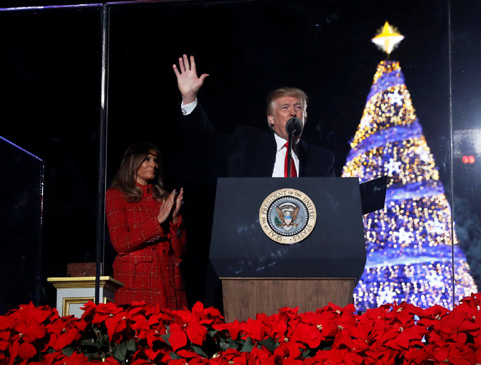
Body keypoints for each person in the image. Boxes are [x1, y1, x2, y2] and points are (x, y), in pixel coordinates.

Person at [172, 54, 336, 177]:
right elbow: (205, 141)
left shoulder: (322, 159)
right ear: (271, 118)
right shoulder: (246, 142)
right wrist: (189, 97)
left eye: (298, 107)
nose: (293, 112)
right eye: (285, 107)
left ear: (305, 116)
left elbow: (333, 203)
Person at [106, 142, 188, 310]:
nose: (154, 165)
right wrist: (157, 222)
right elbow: (120, 243)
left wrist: (173, 220)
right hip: (138, 285)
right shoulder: (116, 194)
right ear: (133, 162)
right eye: (147, 159)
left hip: (169, 282)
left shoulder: (163, 197)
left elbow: (179, 251)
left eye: (156, 160)